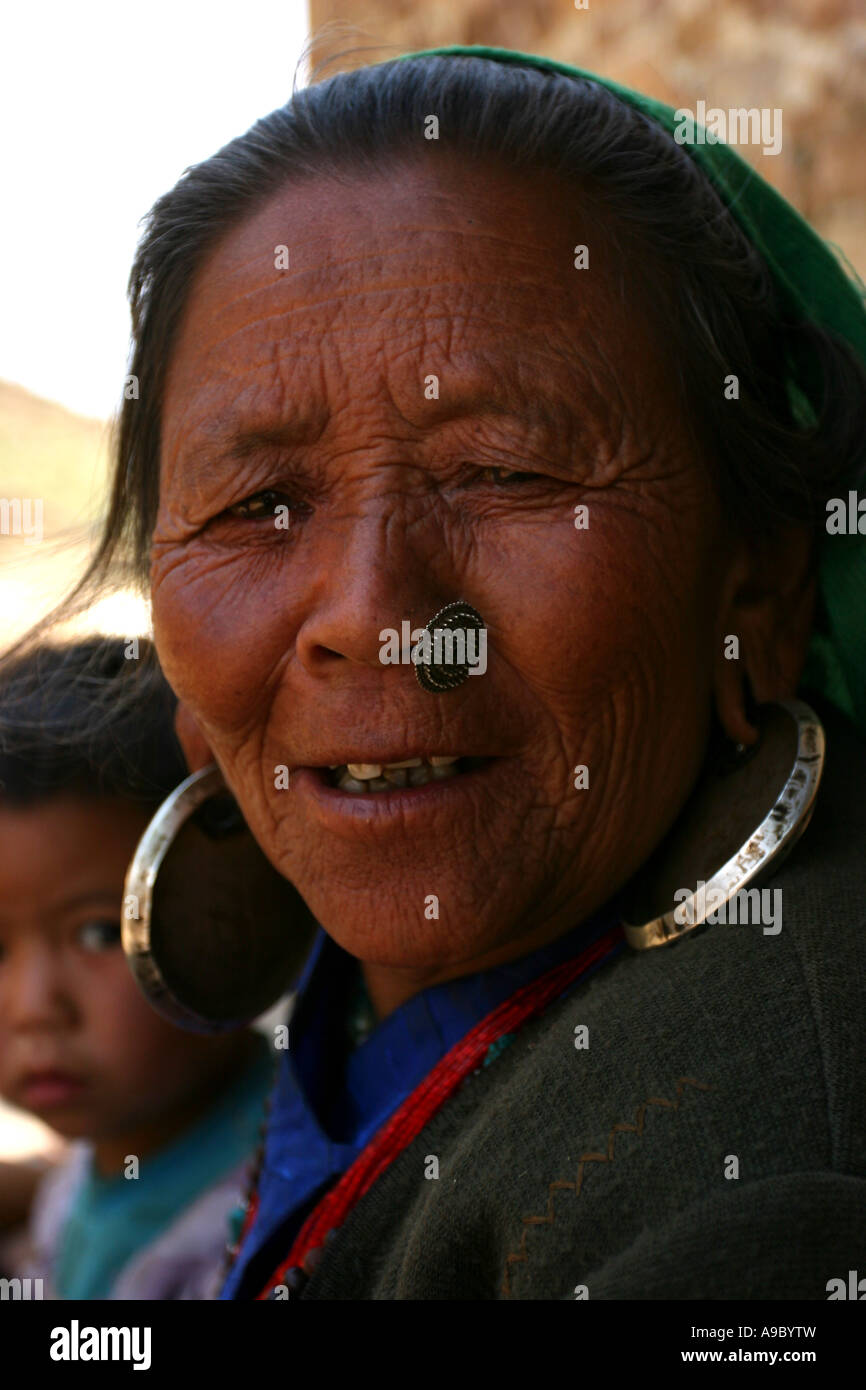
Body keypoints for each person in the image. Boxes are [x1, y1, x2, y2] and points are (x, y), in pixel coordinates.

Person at [14, 45, 866, 1300]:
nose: (370, 617)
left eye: (505, 474)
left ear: (754, 589)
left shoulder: (756, 1199)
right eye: (257, 505)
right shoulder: (383, 1004)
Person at [0, 639, 275, 1299]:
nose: (36, 1006)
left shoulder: (259, 1223)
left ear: (240, 911)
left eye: (98, 932)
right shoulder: (90, 1169)